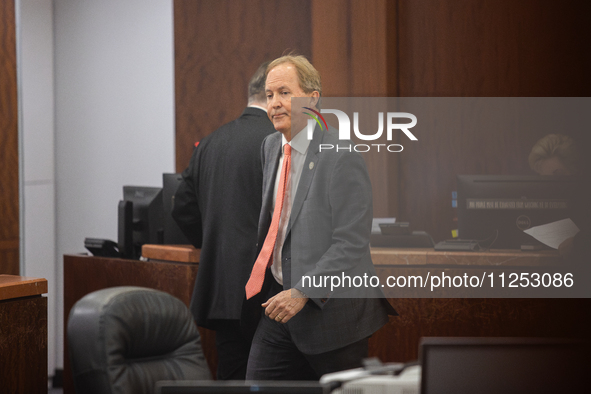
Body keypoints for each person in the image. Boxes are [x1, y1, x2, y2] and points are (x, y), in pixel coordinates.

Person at [242, 54, 396, 380]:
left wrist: (303, 291)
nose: (275, 104)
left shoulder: (341, 154)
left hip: (332, 315)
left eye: (285, 92)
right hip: (280, 306)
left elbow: (351, 243)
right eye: (269, 95)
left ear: (312, 99)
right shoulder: (269, 147)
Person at [172, 62, 275, 380]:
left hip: (224, 290)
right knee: (275, 378)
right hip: (271, 292)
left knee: (232, 377)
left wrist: (214, 241)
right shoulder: (281, 142)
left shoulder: (210, 142)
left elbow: (183, 208)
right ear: (271, 96)